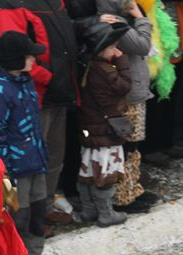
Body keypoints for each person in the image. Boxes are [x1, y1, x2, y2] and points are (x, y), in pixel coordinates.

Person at [0, 0, 81, 228]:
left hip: (59, 91)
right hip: (36, 95)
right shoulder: (10, 4)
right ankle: (23, 218)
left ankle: (45, 207)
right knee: (27, 163)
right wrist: (50, 79)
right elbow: (13, 52)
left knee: (53, 156)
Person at [0, 31, 49, 255]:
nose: (33, 60)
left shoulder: (24, 81)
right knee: (19, 221)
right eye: (29, 56)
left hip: (35, 163)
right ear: (15, 59)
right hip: (16, 171)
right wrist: (5, 174)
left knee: (38, 216)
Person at [95, 0, 159, 214]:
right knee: (127, 145)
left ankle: (133, 188)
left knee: (133, 144)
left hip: (134, 91)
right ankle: (123, 197)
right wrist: (139, 16)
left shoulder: (119, 19)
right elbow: (142, 45)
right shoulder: (114, 21)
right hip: (127, 95)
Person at [75, 22, 132, 227]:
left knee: (88, 170)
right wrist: (123, 60)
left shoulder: (89, 66)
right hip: (105, 131)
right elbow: (125, 86)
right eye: (112, 48)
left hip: (91, 129)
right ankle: (106, 213)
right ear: (101, 50)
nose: (116, 51)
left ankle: (88, 210)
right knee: (105, 173)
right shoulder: (106, 71)